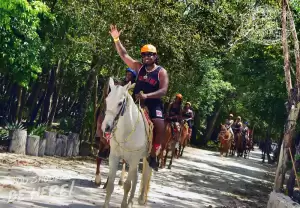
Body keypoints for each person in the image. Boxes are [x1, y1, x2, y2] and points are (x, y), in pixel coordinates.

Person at [109, 25, 169, 171]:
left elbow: (163, 90)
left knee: (160, 126)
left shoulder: (161, 72)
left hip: (154, 104)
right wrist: (116, 39)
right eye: (144, 55)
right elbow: (124, 55)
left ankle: (154, 154)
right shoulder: (138, 67)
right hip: (135, 102)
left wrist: (147, 95)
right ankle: (109, 144)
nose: (147, 57)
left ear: (155, 56)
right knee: (113, 112)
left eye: (150, 54)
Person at [96, 67, 137, 159]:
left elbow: (133, 98)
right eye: (127, 74)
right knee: (100, 110)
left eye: (130, 75)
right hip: (116, 106)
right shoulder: (120, 83)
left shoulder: (134, 86)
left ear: (133, 77)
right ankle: (98, 132)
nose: (127, 76)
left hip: (126, 107)